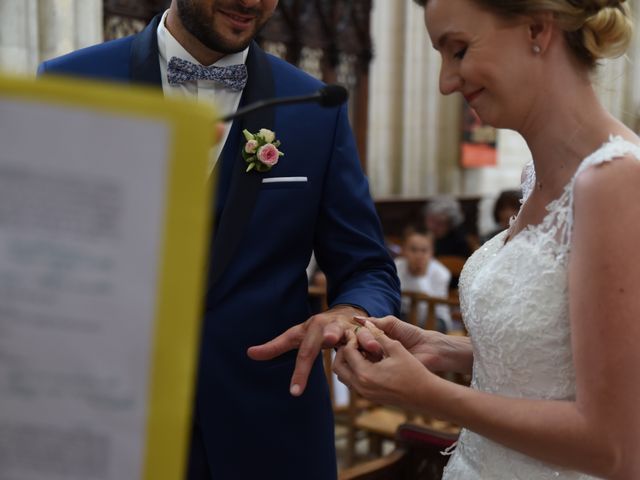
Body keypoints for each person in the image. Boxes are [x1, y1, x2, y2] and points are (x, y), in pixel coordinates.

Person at [38, 1, 400, 479]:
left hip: (268, 428)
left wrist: (348, 313)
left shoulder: (315, 106)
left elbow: (368, 268)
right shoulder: (71, 84)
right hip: (109, 419)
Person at [334, 0, 640, 478]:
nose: (445, 82)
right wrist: (444, 347)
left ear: (537, 28)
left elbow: (616, 447)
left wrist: (429, 394)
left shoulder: (616, 182)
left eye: (458, 50)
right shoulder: (535, 176)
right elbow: (564, 359)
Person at [395, 227, 452, 331]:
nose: (419, 255)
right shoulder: (396, 267)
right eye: (413, 250)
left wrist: (420, 275)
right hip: (405, 315)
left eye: (424, 250)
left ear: (432, 252)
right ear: (403, 250)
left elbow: (433, 306)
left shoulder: (441, 274)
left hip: (434, 318)